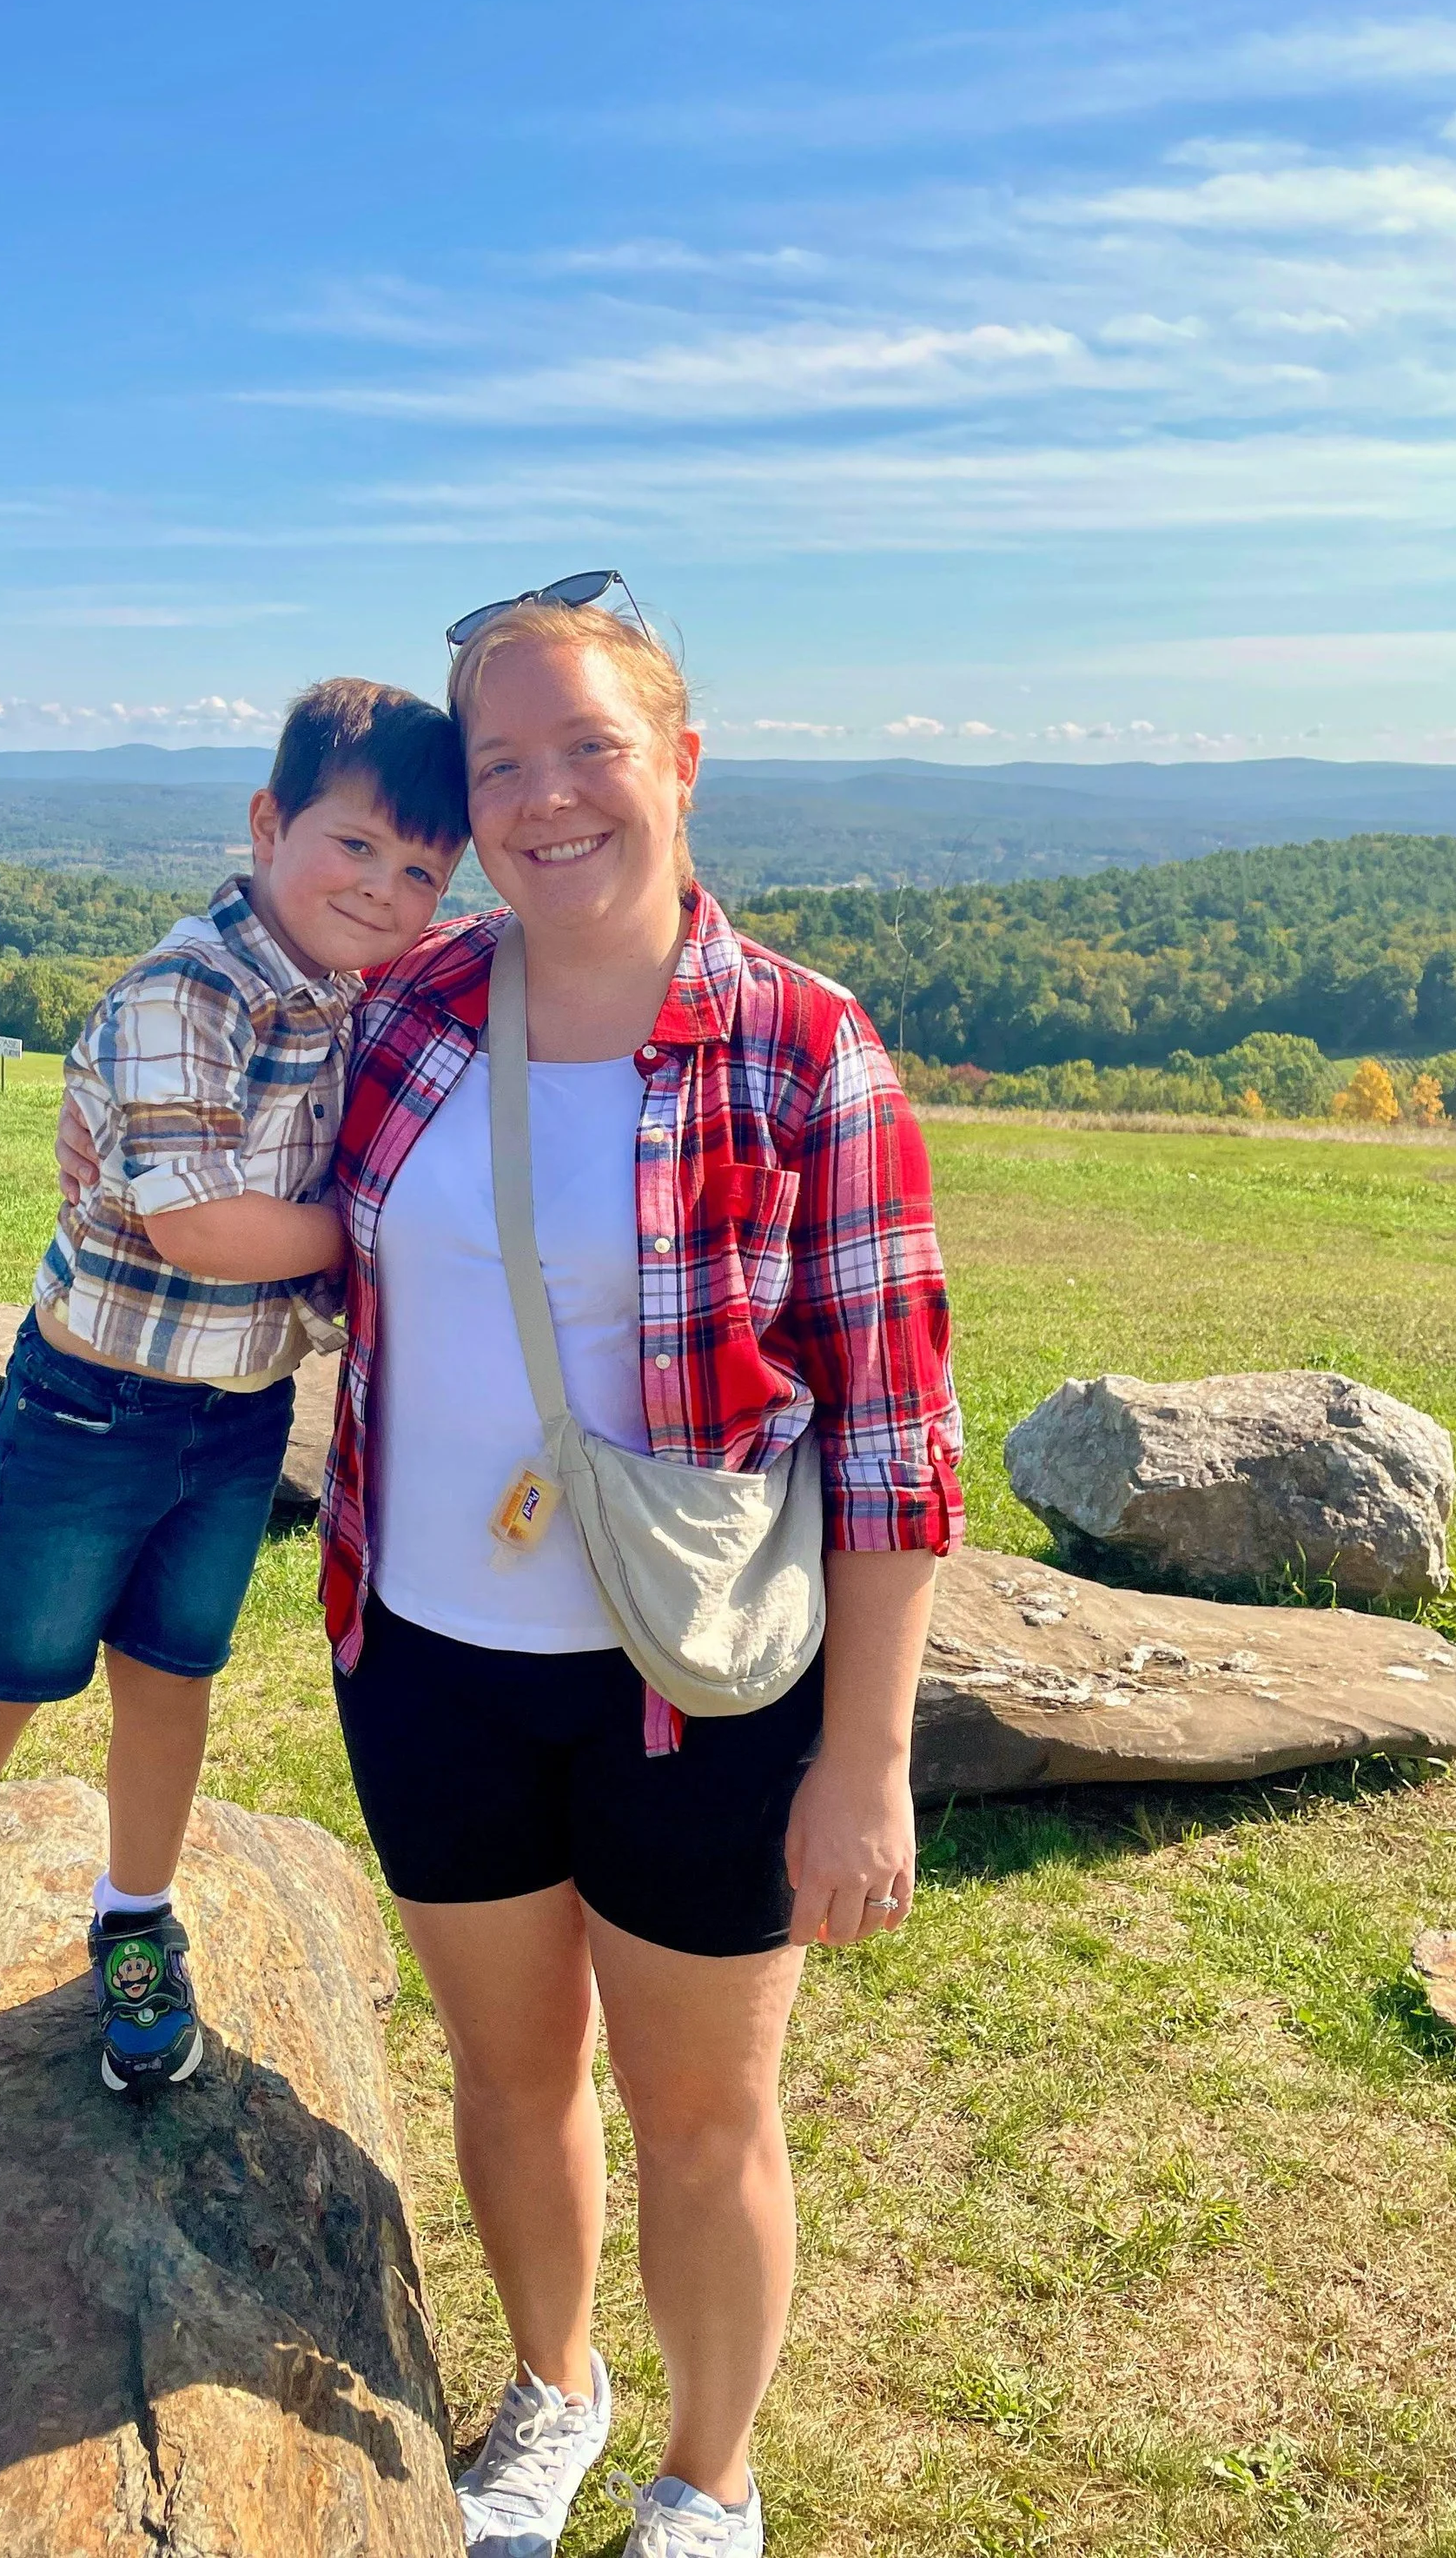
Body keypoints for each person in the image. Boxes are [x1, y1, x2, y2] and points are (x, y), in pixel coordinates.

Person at [319, 585, 962, 2556]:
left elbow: (893, 1432)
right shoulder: (409, 1007)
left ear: (678, 761)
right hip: (421, 1653)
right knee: (508, 2081)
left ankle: (708, 2477)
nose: (539, 796)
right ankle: (553, 2387)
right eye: (494, 761)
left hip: (698, 1684)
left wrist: (864, 1757)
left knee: (698, 2116)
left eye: (585, 745)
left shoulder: (801, 1050)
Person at [0, 677, 468, 2091]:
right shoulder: (194, 989)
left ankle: (135, 1914)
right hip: (90, 1412)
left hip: (234, 1421)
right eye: (354, 845)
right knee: (7, 1663)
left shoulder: (352, 981)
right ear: (269, 821)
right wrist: (378, 1233)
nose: (385, 888)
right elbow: (202, 1227)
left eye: (421, 870)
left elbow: (512, 951)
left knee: (175, 1673)